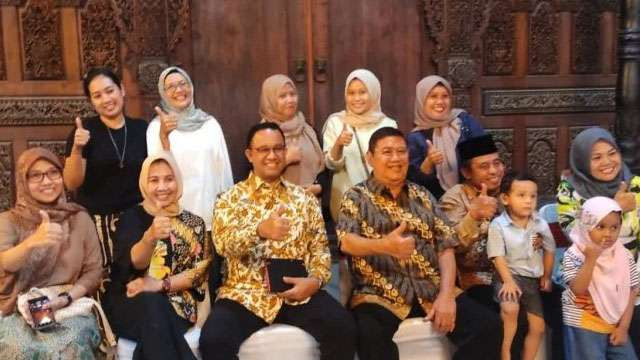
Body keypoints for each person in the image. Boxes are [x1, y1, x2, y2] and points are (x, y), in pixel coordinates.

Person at [337, 126, 502, 360]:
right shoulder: (355, 197)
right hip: (380, 292)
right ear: (370, 158)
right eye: (387, 152)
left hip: (430, 288)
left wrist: (446, 295)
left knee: (489, 328)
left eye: (401, 151)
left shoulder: (423, 195)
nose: (395, 158)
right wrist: (384, 245)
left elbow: (445, 246)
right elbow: (346, 242)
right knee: (370, 336)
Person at [199, 122, 356, 360]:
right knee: (213, 341)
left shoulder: (304, 199)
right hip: (245, 294)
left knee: (343, 328)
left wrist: (314, 282)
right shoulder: (229, 198)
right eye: (263, 150)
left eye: (278, 148)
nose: (272, 155)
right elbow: (222, 244)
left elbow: (320, 251)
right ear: (249, 155)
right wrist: (259, 230)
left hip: (298, 293)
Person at [102, 151, 210, 360]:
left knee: (156, 313)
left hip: (178, 304)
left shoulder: (194, 223)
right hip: (130, 301)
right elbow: (130, 265)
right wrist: (149, 237)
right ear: (144, 183)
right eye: (154, 180)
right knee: (152, 306)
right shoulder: (130, 218)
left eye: (169, 179)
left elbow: (198, 272)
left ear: (177, 181)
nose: (162, 187)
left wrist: (161, 285)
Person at [0, 148, 103, 358]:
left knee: (67, 347)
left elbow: (93, 272)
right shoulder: (8, 221)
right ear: (22, 181)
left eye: (53, 172)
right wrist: (32, 242)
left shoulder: (79, 218)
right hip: (18, 309)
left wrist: (64, 299)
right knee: (21, 349)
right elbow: (5, 263)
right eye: (36, 175)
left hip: (68, 305)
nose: (47, 181)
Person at [557, 127, 640, 352]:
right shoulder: (569, 189)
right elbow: (575, 234)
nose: (607, 161)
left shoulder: (634, 184)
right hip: (590, 284)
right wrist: (614, 206)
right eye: (596, 157)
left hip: (629, 281)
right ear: (582, 161)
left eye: (612, 153)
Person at [64, 67, 148, 271]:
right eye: (97, 95)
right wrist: (77, 148)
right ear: (91, 101)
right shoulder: (83, 131)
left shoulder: (142, 129)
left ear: (121, 90)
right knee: (102, 282)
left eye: (110, 91)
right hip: (95, 223)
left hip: (135, 220)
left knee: (133, 279)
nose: (106, 99)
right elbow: (71, 183)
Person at [147, 66, 234, 232]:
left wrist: (228, 214)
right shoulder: (156, 127)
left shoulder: (210, 124)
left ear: (191, 87)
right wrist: (164, 136)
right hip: (176, 219)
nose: (179, 90)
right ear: (163, 93)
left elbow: (224, 172)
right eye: (171, 87)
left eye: (183, 83)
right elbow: (156, 175)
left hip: (211, 216)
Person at [487, 172, 556, 360]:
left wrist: (547, 276)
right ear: (505, 198)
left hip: (531, 281)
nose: (528, 201)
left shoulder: (540, 224)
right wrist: (508, 281)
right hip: (508, 276)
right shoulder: (498, 225)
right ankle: (505, 352)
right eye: (521, 195)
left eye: (533, 196)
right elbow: (497, 256)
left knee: (538, 327)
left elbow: (550, 249)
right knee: (510, 308)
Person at [561, 196, 639, 360]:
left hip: (615, 323)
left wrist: (623, 327)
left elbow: (632, 290)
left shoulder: (623, 255)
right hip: (584, 323)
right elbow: (577, 289)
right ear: (586, 226)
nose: (608, 234)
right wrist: (590, 260)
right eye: (600, 227)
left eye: (614, 227)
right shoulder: (575, 254)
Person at [322, 68, 397, 221]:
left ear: (374, 92)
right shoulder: (336, 122)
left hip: (382, 202)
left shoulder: (388, 124)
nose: (356, 98)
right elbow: (330, 165)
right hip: (347, 202)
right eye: (351, 93)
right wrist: (339, 144)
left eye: (362, 92)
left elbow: (394, 165)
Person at [439, 134, 504, 302]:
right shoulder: (454, 197)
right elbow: (449, 245)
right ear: (466, 172)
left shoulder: (509, 191)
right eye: (484, 166)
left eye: (497, 163)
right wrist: (474, 216)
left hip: (511, 273)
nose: (493, 171)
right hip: (472, 280)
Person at [407, 75, 485, 199]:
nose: (440, 102)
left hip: (473, 197)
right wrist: (428, 162)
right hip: (434, 205)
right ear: (422, 100)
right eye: (433, 96)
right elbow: (413, 185)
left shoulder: (464, 121)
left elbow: (485, 158)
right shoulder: (415, 138)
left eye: (445, 96)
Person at [259, 74, 324, 195]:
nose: (290, 100)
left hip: (310, 206)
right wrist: (285, 160)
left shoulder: (307, 129)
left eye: (292, 94)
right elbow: (255, 179)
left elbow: (324, 171)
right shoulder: (261, 134)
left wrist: (319, 188)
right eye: (282, 96)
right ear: (270, 99)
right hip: (278, 207)